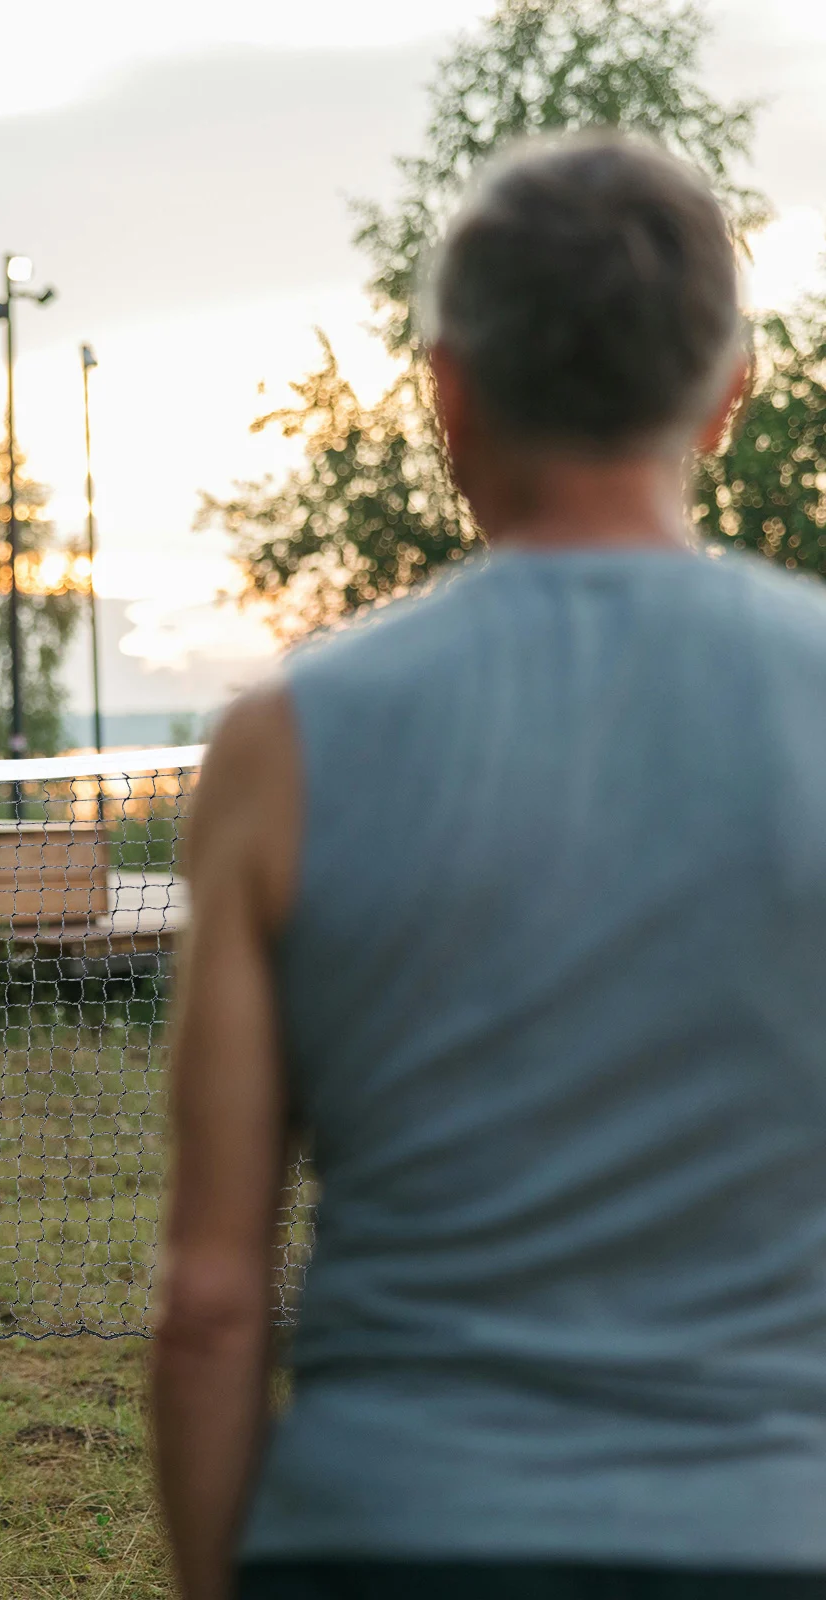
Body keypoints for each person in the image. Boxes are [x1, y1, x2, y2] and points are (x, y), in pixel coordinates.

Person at [153, 129, 826, 1600]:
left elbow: (211, 1299)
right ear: (730, 395)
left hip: (395, 1534)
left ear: (448, 394)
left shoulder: (284, 744)